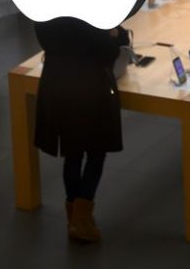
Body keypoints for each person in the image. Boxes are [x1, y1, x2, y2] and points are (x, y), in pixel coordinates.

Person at [34, 17, 130, 243]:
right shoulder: (93, 17)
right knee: (97, 152)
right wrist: (115, 34)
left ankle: (74, 216)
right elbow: (110, 52)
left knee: (72, 152)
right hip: (91, 89)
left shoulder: (46, 16)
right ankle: (82, 217)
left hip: (58, 87)